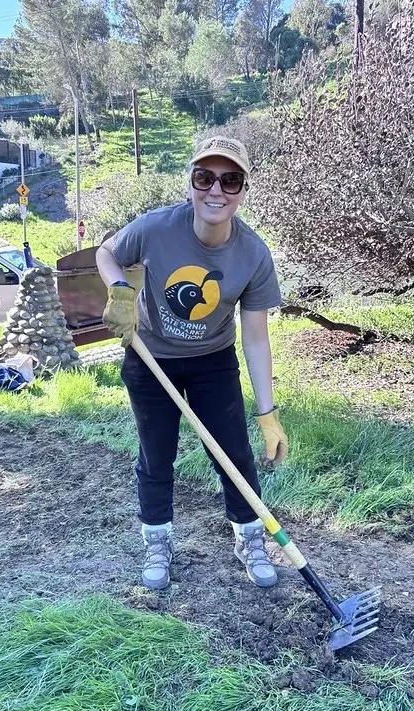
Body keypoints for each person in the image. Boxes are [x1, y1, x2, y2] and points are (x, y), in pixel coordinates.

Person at [96, 136, 288, 591]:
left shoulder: (253, 255)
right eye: (204, 177)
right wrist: (121, 292)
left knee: (233, 455)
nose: (215, 190)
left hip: (212, 362)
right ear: (190, 185)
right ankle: (157, 541)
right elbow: (107, 253)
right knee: (156, 454)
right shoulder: (157, 227)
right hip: (150, 359)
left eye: (230, 179)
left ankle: (250, 539)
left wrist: (268, 413)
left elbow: (256, 338)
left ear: (243, 191)